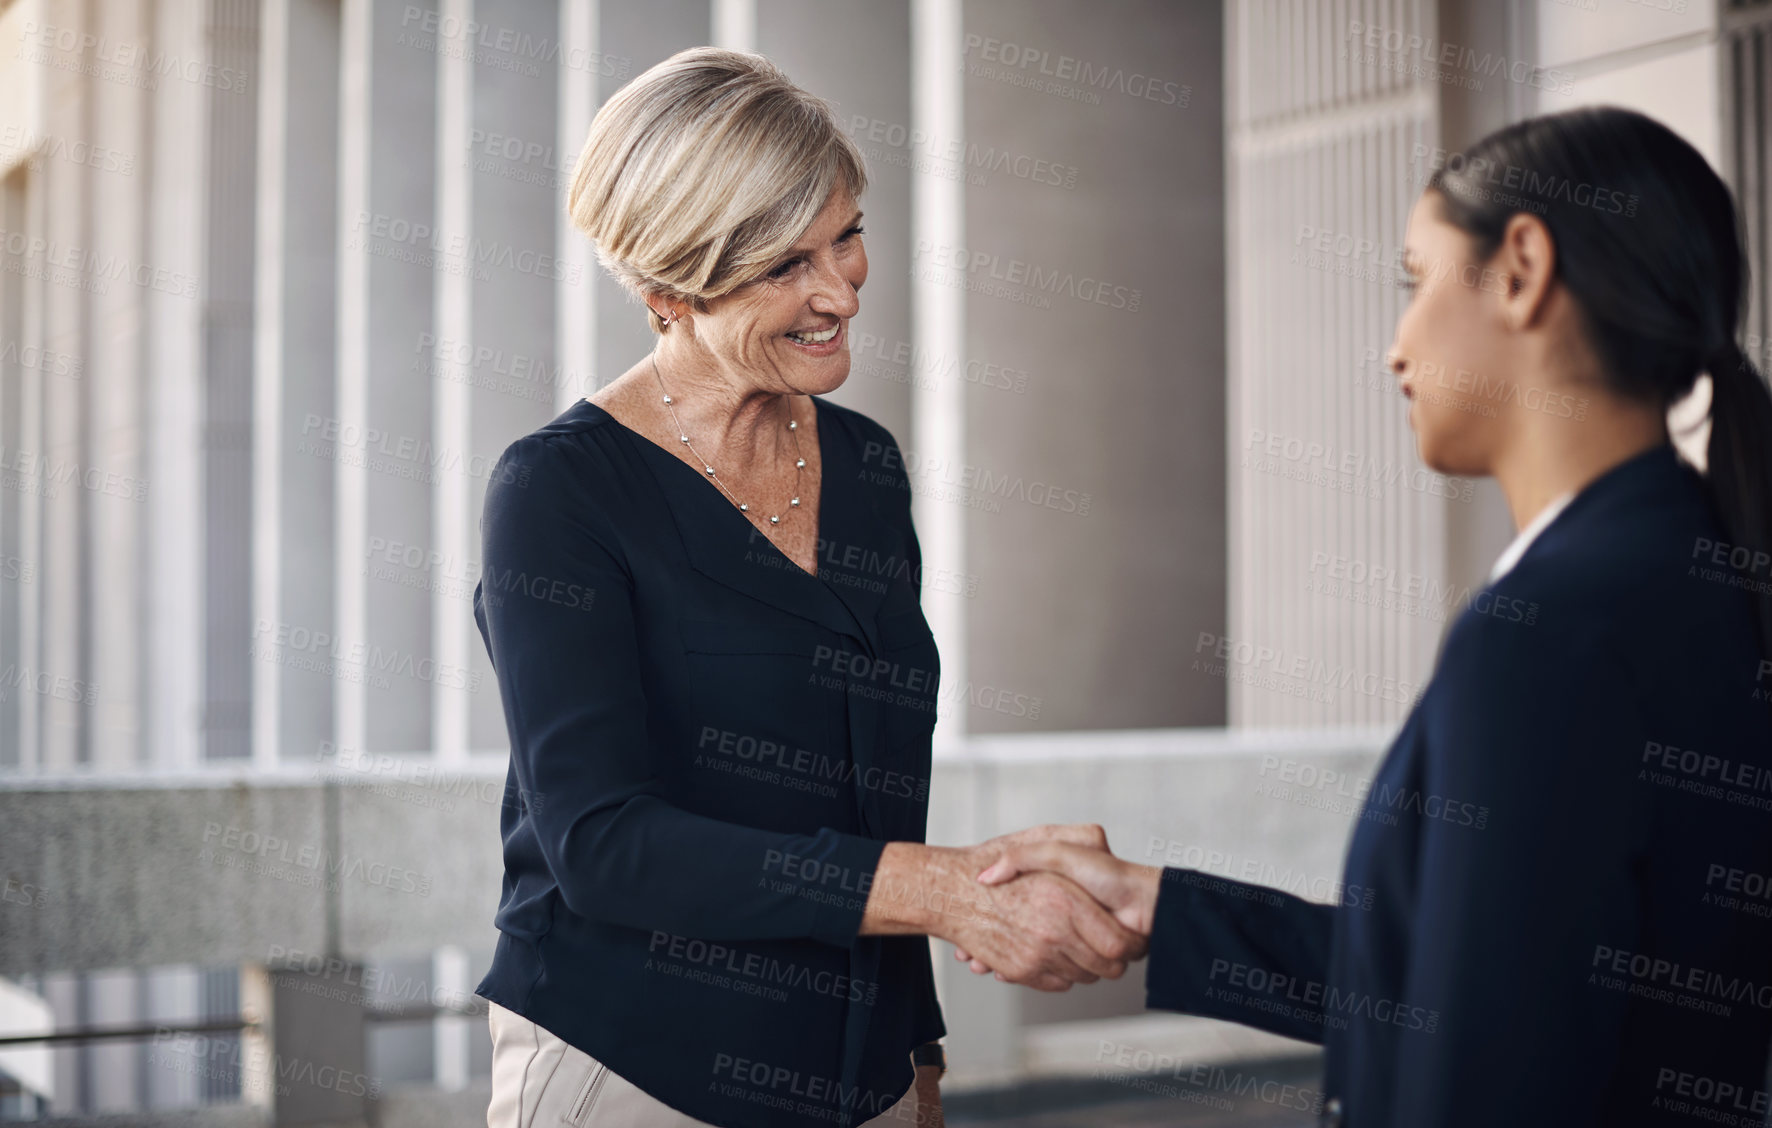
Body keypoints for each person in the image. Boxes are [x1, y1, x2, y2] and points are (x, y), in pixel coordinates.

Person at [962, 106, 1772, 1127]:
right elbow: (1479, 981)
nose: (1394, 347)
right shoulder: (1683, 573)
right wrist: (1159, 908)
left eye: (1415, 280)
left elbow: (1483, 1079)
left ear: (1520, 268)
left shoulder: (1547, 633)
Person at [472, 47, 1141, 1128]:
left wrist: (914, 1052)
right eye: (784, 266)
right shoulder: (558, 492)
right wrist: (943, 893)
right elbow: (600, 846)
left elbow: (880, 789)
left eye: (847, 236)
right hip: (637, 1072)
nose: (838, 290)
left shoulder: (866, 464)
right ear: (665, 289)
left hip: (858, 1081)